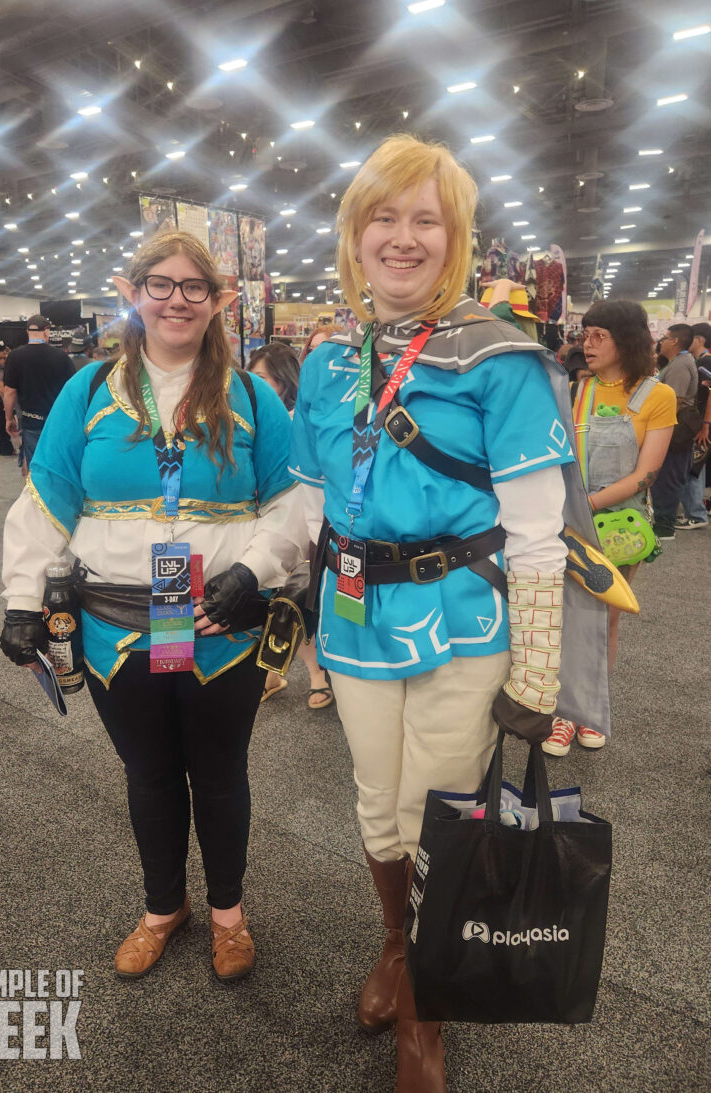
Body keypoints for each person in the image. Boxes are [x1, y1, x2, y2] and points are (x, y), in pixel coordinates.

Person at [290, 134, 602, 1092]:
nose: (403, 236)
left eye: (426, 218)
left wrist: (539, 672)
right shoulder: (327, 354)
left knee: (442, 807)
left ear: (456, 235)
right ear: (355, 232)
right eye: (383, 216)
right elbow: (308, 500)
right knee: (377, 802)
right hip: (353, 617)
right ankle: (397, 944)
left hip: (464, 616)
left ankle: (427, 1003)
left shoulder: (501, 357)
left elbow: (541, 532)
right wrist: (299, 616)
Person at [0, 230, 306, 983]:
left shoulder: (252, 395)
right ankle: (162, 907)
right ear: (133, 293)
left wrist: (256, 571)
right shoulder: (89, 390)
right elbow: (46, 499)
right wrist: (21, 597)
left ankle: (229, 914)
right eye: (159, 284)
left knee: (222, 774)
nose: (175, 299)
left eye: (192, 286)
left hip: (220, 627)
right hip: (113, 628)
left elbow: (294, 504)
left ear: (217, 300)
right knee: (149, 774)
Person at [542, 300, 676, 757]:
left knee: (605, 618)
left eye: (600, 334)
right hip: (563, 520)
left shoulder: (657, 396)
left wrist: (584, 505)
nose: (588, 343)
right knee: (559, 617)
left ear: (629, 340)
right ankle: (562, 714)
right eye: (586, 333)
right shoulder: (575, 390)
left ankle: (587, 712)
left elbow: (646, 474)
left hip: (619, 527)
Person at [246, 343, 333, 708]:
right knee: (271, 601)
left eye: (262, 376)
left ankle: (315, 674)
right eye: (251, 375)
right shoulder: (250, 414)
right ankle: (272, 672)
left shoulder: (300, 418)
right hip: (258, 522)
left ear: (282, 381)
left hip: (304, 523)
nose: (253, 383)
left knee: (296, 600)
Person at [2, 315, 74, 476]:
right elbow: (72, 391)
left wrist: (8, 418)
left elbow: (9, 391)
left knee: (34, 464)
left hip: (30, 420)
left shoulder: (15, 356)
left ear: (28, 331)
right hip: (57, 419)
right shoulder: (61, 356)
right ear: (47, 331)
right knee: (57, 463)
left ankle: (35, 497)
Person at [649, 323, 698, 539]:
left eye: (665, 337)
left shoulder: (679, 366)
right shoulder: (677, 363)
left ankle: (664, 526)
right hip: (672, 427)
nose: (662, 341)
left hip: (674, 430)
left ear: (675, 341)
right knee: (666, 475)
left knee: (669, 476)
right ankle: (662, 521)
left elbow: (674, 402)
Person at [675, 321, 711, 530]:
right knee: (694, 466)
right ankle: (696, 511)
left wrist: (705, 425)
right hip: (699, 421)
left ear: (700, 339)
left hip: (702, 423)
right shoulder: (699, 361)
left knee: (694, 467)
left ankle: (696, 514)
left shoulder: (705, 362)